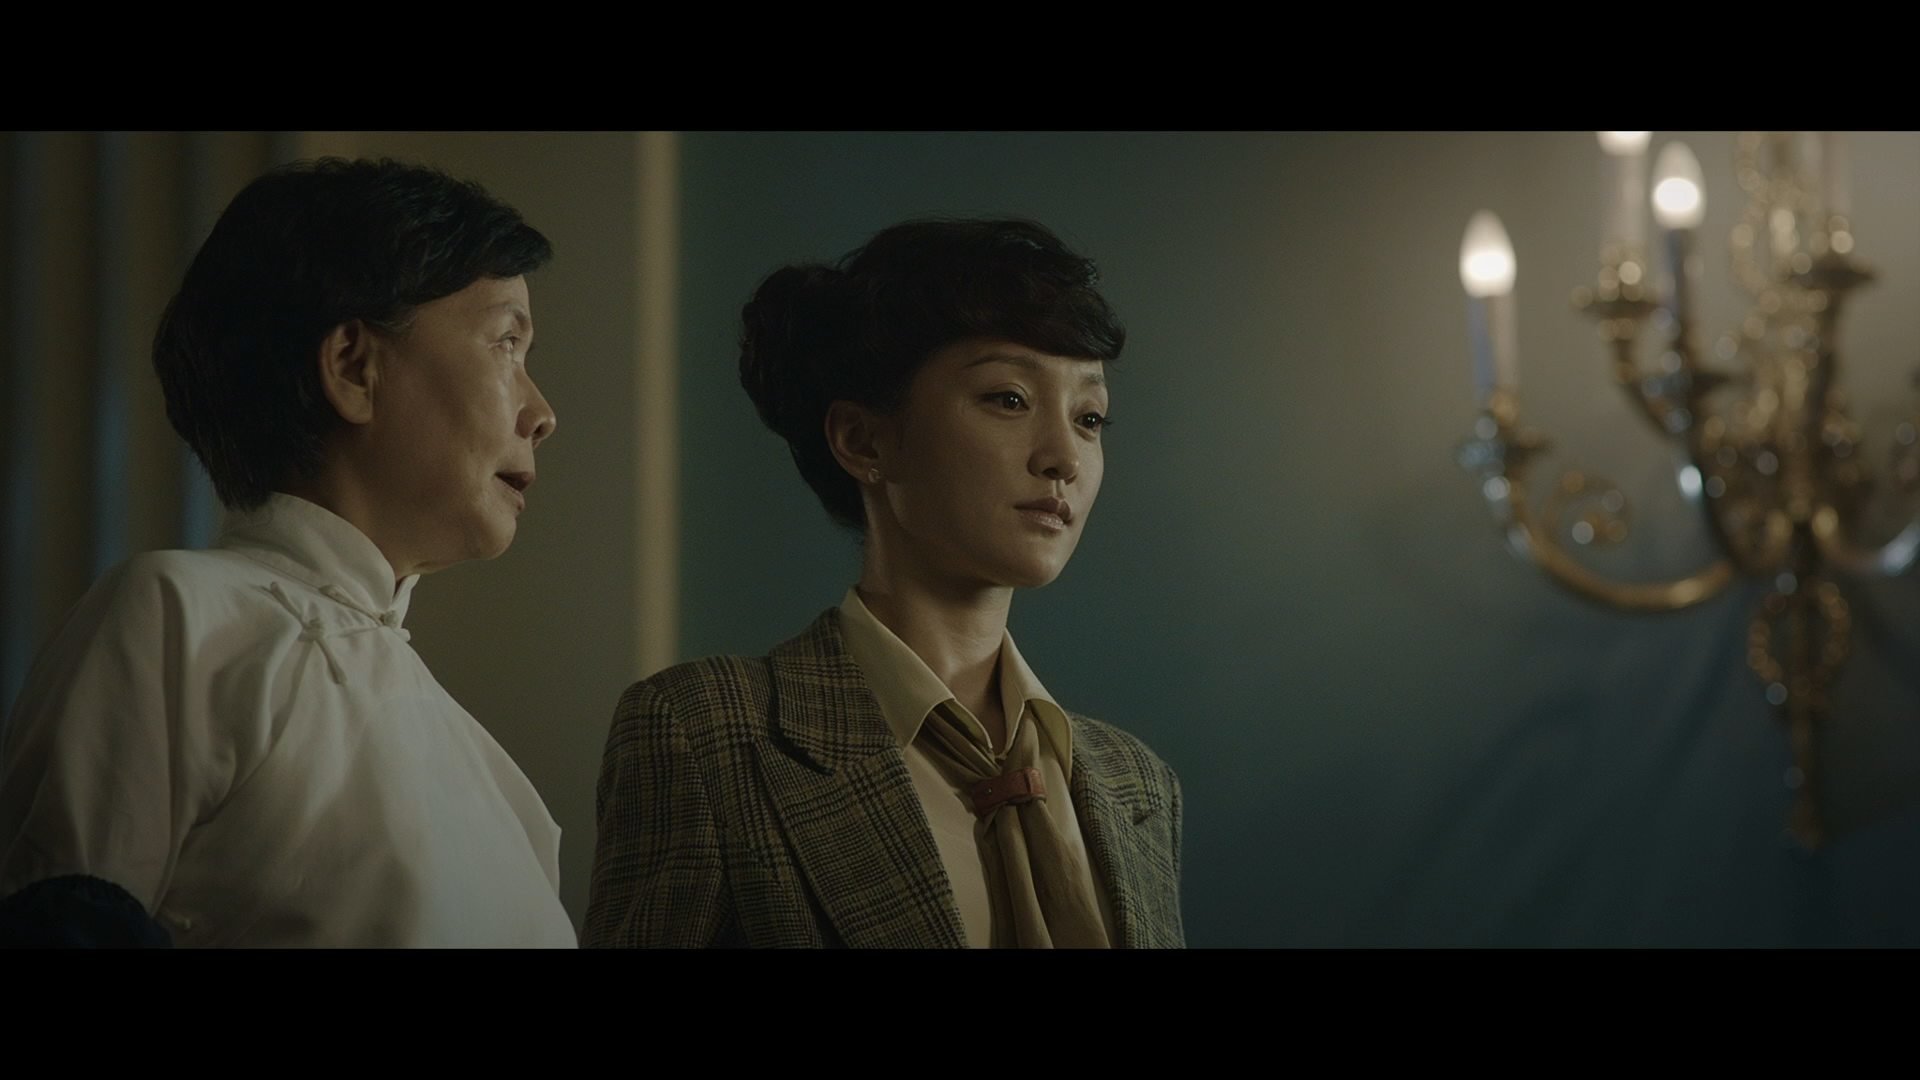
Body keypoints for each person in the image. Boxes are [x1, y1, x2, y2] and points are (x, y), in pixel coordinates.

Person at [0, 157, 576, 947]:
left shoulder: (509, 793)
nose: (542, 413)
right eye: (507, 342)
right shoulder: (176, 619)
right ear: (353, 367)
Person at [584, 218, 1183, 948]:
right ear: (862, 439)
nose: (1064, 456)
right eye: (1009, 399)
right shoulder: (707, 733)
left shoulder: (1135, 783)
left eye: (1090, 417)